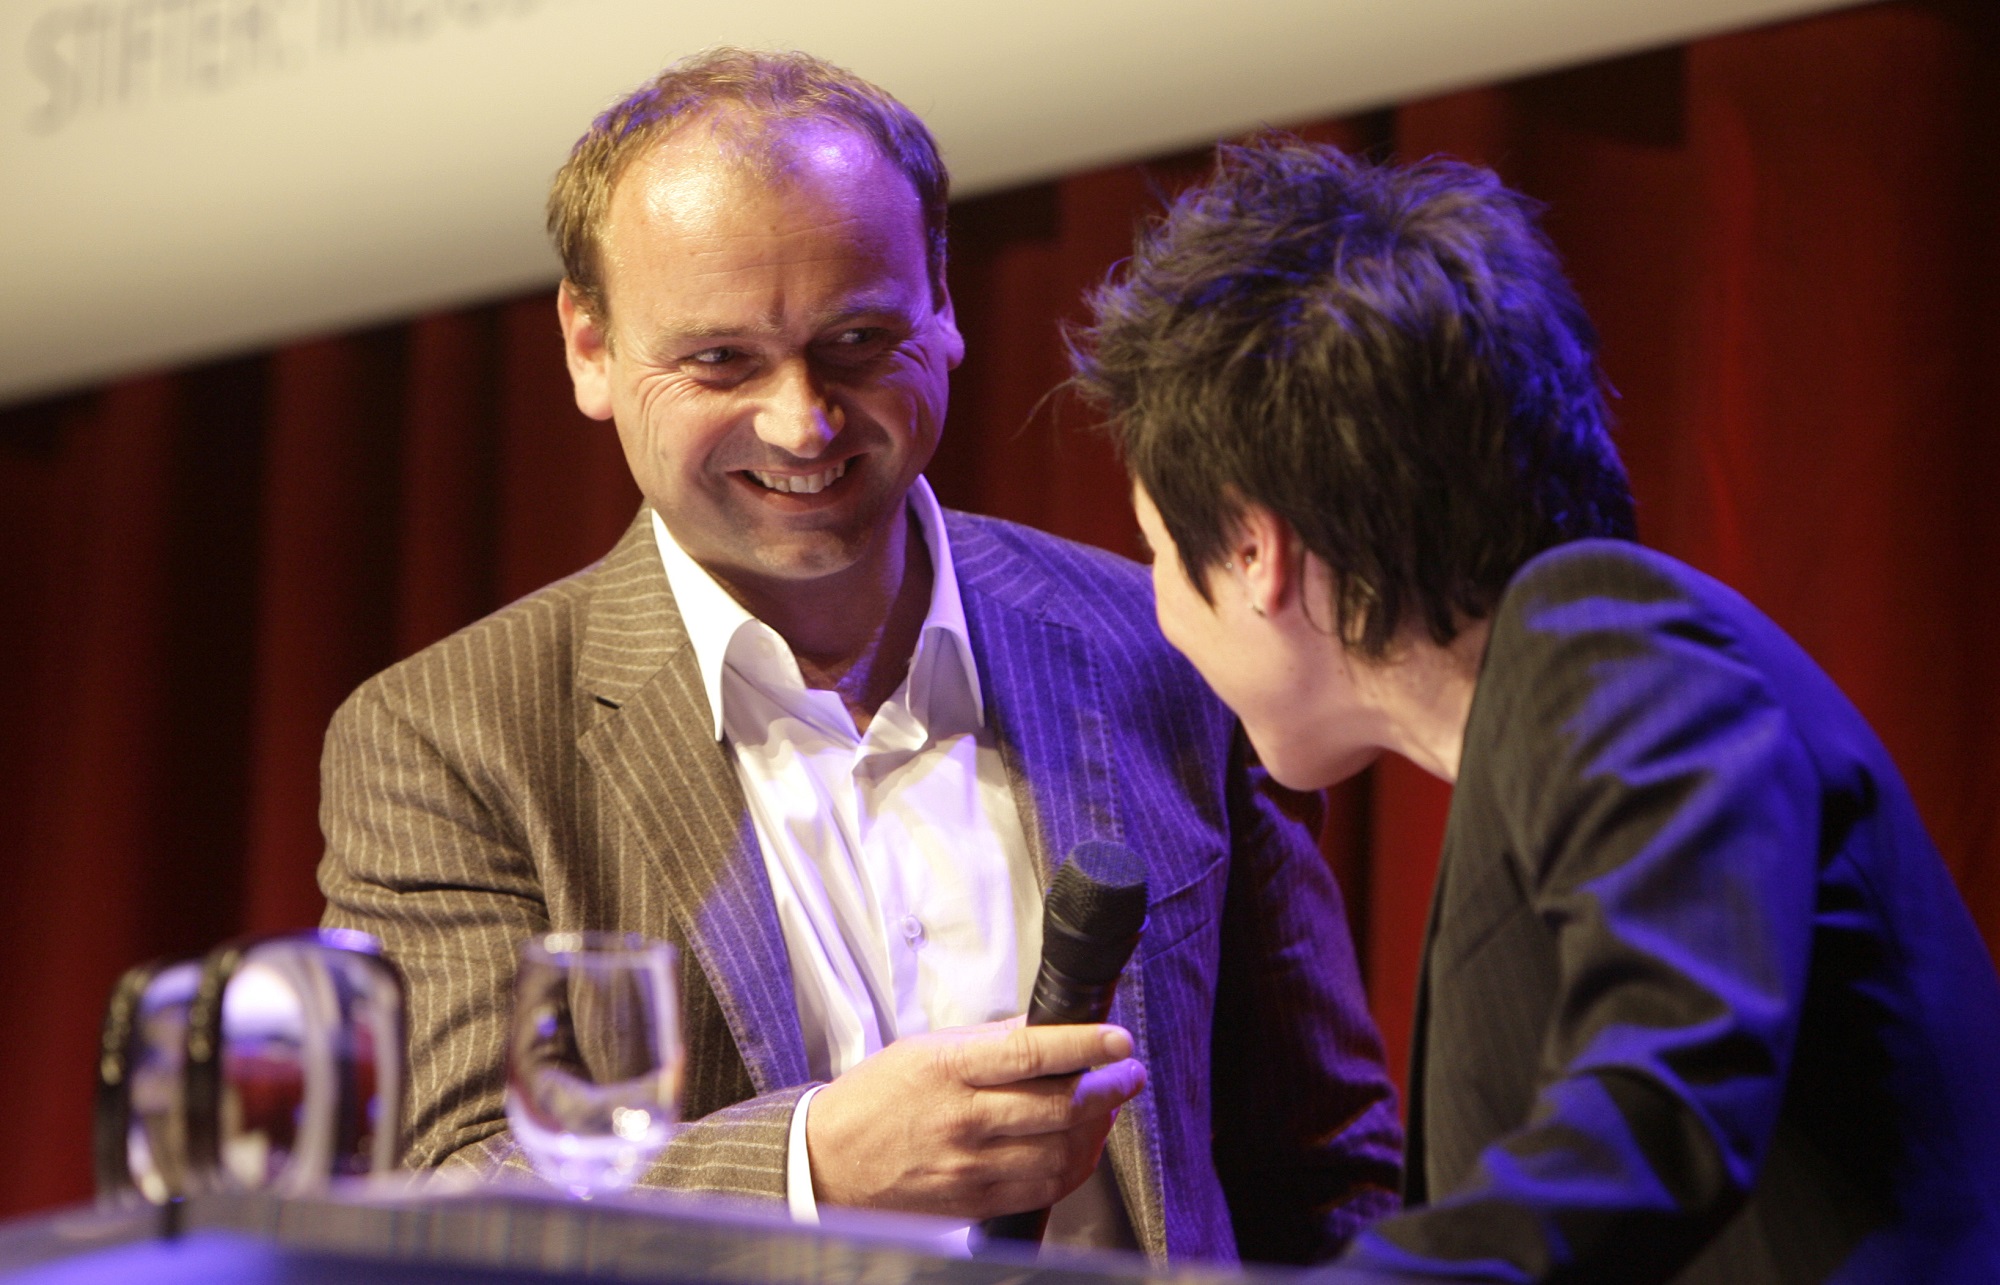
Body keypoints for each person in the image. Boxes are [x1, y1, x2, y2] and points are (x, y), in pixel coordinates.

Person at [317, 51, 1402, 1263]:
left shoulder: (1163, 638)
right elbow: (452, 1197)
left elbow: (1322, 1165)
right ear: (588, 347)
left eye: (856, 340)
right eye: (719, 361)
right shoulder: (450, 733)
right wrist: (813, 1167)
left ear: (943, 304)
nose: (803, 421)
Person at [1069, 137, 2000, 1282]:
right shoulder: (1561, 695)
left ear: (1255, 548)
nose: (1162, 613)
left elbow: (1663, 1094)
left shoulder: (1597, 635)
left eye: (1156, 550)